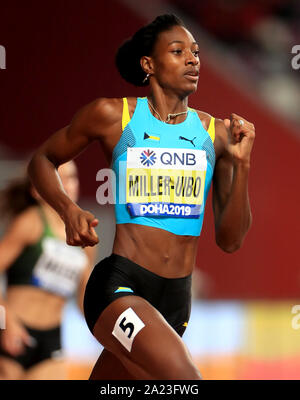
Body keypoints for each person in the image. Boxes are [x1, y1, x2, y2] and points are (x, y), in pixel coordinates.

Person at [27, 14, 255, 380]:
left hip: (176, 301)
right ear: (149, 64)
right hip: (120, 288)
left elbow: (230, 240)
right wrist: (68, 211)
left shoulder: (216, 134)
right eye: (178, 51)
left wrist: (242, 165)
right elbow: (43, 159)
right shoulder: (113, 116)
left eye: (195, 52)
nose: (193, 60)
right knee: (185, 379)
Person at [0, 161, 96, 379]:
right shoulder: (30, 223)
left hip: (51, 340)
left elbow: (84, 300)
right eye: (59, 179)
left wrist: (108, 328)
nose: (67, 186)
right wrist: (5, 323)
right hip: (13, 333)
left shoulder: (86, 236)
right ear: (37, 190)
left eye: (72, 178)